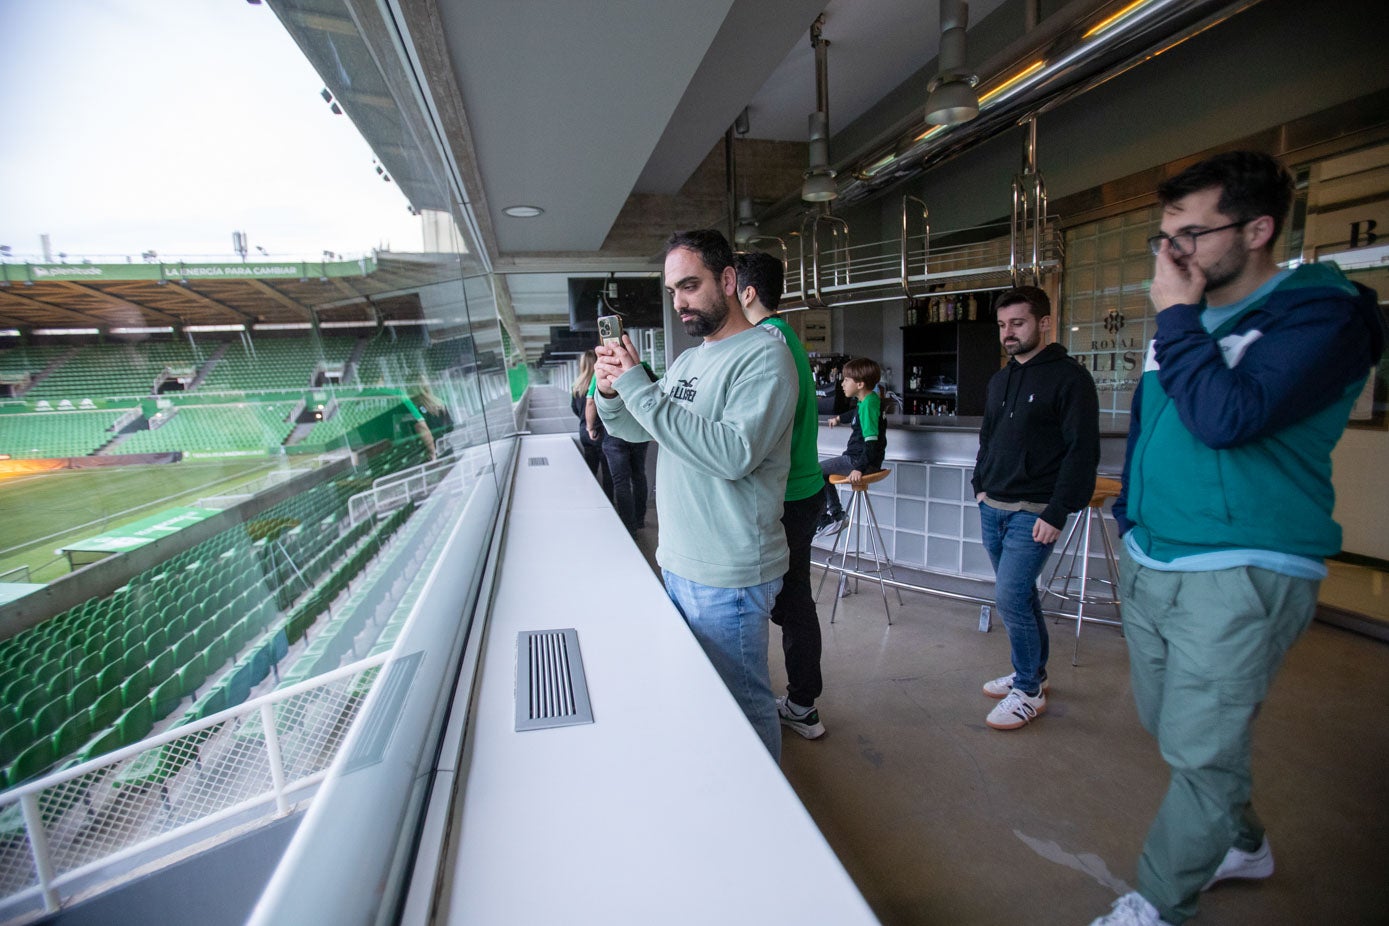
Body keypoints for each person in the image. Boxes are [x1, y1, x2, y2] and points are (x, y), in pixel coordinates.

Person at [1090, 151, 1385, 926]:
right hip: (1153, 553)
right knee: (1176, 731)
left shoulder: (1323, 318)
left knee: (1196, 747)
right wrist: (1131, 519)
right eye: (1164, 238)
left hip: (1242, 564)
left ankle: (1158, 902)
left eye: (1189, 235)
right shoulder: (1184, 312)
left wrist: (1176, 316)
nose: (1171, 255)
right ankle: (1241, 840)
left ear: (1257, 229)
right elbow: (1156, 426)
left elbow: (1227, 419)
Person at [594, 229, 798, 760]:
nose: (680, 301)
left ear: (729, 281)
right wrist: (614, 392)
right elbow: (642, 428)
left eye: (690, 285)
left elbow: (733, 454)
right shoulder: (689, 361)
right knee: (704, 697)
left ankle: (763, 816)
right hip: (681, 561)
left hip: (727, 571)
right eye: (673, 291)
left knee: (742, 705)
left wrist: (639, 386)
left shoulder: (764, 356)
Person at [972, 286, 1099, 731]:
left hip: (1035, 510)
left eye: (1018, 323)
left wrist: (1057, 511)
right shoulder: (1000, 378)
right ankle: (1034, 676)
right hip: (994, 505)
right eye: (1003, 325)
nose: (1008, 333)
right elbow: (988, 438)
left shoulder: (1070, 378)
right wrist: (979, 487)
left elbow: (1082, 451)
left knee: (1009, 597)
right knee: (1021, 595)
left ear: (1044, 323)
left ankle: (1027, 691)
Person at [735, 250, 827, 740]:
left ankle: (802, 705)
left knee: (787, 602)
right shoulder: (785, 337)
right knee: (793, 599)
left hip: (788, 494)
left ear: (746, 292)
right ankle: (802, 701)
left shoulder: (765, 342)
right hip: (805, 489)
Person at [818, 357, 886, 533]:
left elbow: (872, 442)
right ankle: (836, 516)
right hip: (858, 460)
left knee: (814, 472)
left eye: (847, 380)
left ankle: (831, 518)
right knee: (820, 473)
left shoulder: (869, 405)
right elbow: (855, 413)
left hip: (858, 462)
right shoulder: (868, 400)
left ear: (860, 384)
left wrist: (860, 468)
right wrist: (839, 418)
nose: (842, 384)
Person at [587, 365, 650, 532]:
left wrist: (590, 427)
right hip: (639, 431)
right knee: (639, 475)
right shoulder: (641, 366)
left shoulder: (602, 371)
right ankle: (639, 520)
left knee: (621, 482)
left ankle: (629, 528)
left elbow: (591, 401)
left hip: (614, 435)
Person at [571, 349, 612, 498]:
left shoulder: (576, 386)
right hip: (601, 430)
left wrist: (585, 423)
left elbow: (574, 409)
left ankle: (590, 498)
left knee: (590, 470)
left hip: (584, 432)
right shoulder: (601, 384)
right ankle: (609, 502)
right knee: (608, 472)